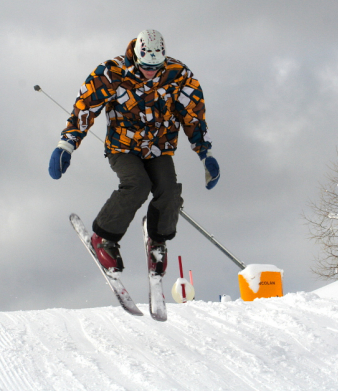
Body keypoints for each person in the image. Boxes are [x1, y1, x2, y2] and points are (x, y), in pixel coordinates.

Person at [48, 29, 219, 277]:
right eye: (145, 67)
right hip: (122, 145)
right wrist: (67, 144)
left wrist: (206, 154)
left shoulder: (178, 75)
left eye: (156, 67)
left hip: (159, 147)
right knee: (137, 185)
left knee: (169, 190)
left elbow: (193, 115)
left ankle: (157, 242)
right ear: (136, 58)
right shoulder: (112, 72)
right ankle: (104, 237)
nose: (150, 72)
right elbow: (86, 106)